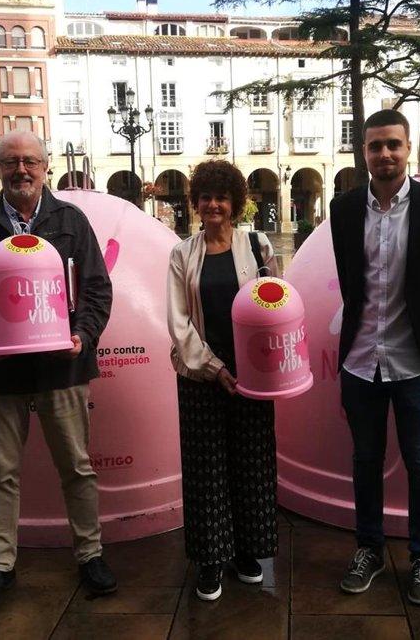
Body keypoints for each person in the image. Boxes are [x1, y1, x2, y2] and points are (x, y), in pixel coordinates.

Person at [0, 131, 116, 612]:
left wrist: (83, 335)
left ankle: (90, 554)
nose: (21, 170)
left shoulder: (71, 221)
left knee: (78, 468)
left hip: (64, 367)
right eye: (11, 162)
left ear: (46, 166)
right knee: (0, 474)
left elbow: (98, 291)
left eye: (30, 162)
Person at [329, 109, 420, 605]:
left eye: (393, 144)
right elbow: (352, 281)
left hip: (415, 363)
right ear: (363, 152)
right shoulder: (343, 210)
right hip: (361, 360)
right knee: (365, 461)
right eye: (374, 146)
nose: (384, 154)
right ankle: (368, 548)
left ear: (409, 148)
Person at [167, 159, 279, 602]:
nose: (214, 205)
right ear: (196, 203)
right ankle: (212, 560)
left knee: (251, 464)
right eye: (206, 197)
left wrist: (262, 367)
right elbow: (178, 322)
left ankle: (247, 553)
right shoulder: (182, 254)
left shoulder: (257, 245)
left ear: (235, 203)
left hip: (252, 376)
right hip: (200, 375)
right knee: (206, 468)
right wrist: (214, 369)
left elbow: (275, 303)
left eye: (222, 197)